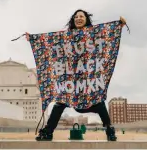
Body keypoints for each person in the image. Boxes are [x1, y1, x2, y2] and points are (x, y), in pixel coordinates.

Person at [26, 9, 126, 141]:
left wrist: (119, 26)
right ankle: (48, 131)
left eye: (81, 16)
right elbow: (50, 44)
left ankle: (109, 130)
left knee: (99, 101)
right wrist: (34, 39)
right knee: (60, 102)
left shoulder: (94, 35)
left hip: (87, 82)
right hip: (71, 83)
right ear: (73, 20)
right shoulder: (66, 37)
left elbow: (107, 37)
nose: (79, 18)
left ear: (86, 19)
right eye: (76, 17)